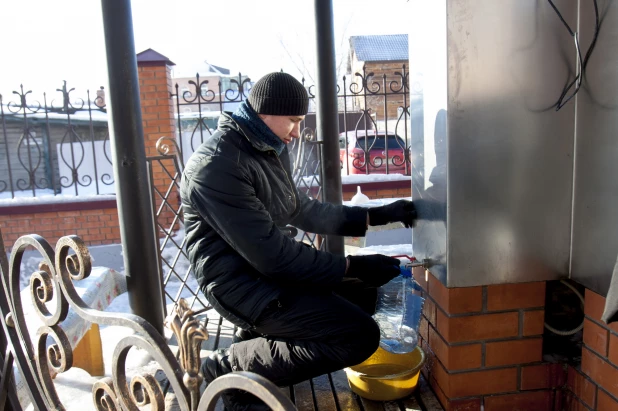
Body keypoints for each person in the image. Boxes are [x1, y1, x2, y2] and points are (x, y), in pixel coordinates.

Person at [179, 72, 416, 410]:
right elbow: (273, 257)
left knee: (367, 295)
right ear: (265, 111)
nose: (296, 131)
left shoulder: (266, 147)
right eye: (293, 120)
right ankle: (228, 368)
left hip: (268, 272)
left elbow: (298, 208)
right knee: (358, 335)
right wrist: (354, 265)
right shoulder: (217, 164)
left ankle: (257, 342)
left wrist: (377, 215)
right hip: (239, 284)